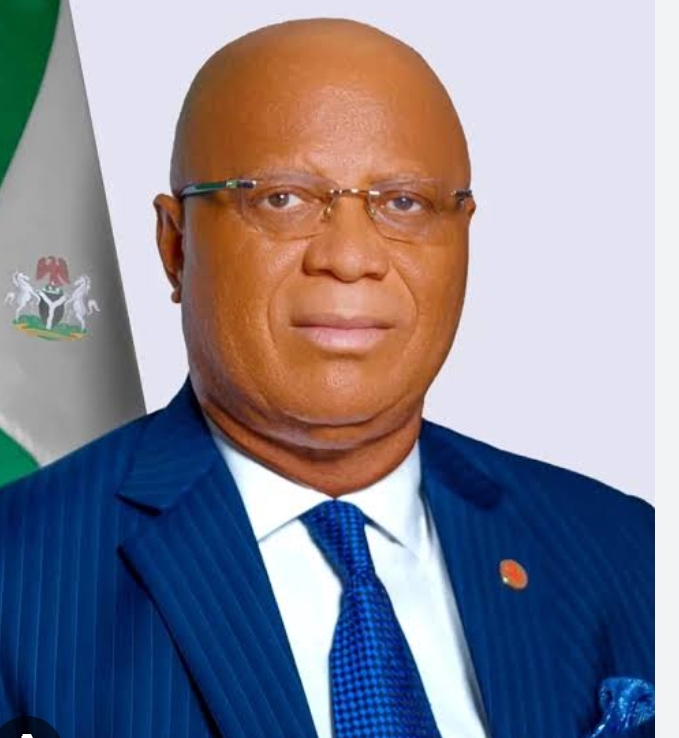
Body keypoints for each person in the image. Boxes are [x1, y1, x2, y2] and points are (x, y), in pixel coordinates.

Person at [0, 17, 653, 738]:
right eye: (282, 198)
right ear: (175, 245)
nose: (349, 257)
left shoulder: (630, 549)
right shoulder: (19, 578)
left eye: (404, 203)